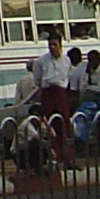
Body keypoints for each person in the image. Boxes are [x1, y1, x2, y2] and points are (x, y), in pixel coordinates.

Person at [29, 28, 78, 163]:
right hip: (48, 93)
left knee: (64, 124)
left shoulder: (66, 60)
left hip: (61, 93)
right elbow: (38, 80)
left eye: (55, 45)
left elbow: (67, 77)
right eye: (50, 45)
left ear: (60, 45)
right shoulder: (41, 61)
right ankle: (53, 156)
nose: (52, 48)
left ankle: (68, 157)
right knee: (49, 125)